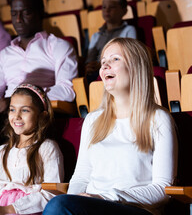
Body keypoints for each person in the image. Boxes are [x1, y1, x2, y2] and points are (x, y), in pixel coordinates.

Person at [43, 38, 177, 215]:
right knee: (59, 205)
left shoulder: (158, 118)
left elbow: (162, 189)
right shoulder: (93, 120)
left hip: (135, 208)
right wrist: (75, 200)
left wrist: (107, 197)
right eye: (103, 61)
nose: (105, 66)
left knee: (57, 207)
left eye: (115, 59)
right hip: (92, 206)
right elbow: (81, 176)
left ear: (136, 67)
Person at [0, 0, 78, 116]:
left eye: (26, 13)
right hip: (5, 117)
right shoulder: (5, 54)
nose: (18, 19)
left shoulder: (59, 47)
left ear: (40, 13)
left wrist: (23, 100)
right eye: (14, 14)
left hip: (40, 115)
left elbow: (66, 90)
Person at [0, 83, 64, 215]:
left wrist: (9, 209)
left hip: (28, 210)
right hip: (0, 209)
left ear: (42, 115)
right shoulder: (3, 151)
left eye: (25, 110)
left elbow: (52, 193)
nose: (16, 116)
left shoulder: (47, 148)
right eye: (12, 110)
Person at [85, 0, 136, 83]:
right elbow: (90, 59)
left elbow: (131, 57)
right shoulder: (96, 36)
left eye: (112, 7)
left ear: (124, 11)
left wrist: (101, 64)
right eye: (104, 7)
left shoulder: (129, 30)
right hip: (96, 74)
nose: (107, 10)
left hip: (119, 72)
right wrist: (89, 66)